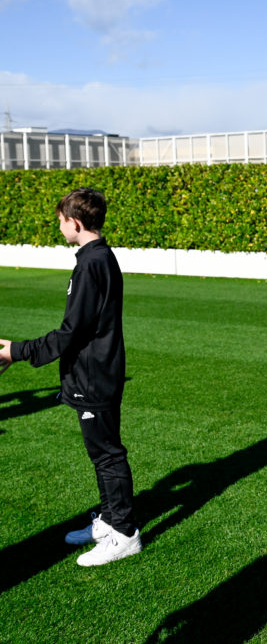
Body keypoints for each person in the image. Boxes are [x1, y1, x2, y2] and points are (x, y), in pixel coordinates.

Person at [0, 187, 141, 567]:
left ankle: (124, 533)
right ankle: (109, 521)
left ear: (75, 222)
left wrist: (17, 351)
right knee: (101, 454)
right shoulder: (96, 258)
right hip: (94, 373)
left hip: (95, 376)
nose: (59, 226)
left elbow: (71, 332)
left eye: (61, 220)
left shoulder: (92, 263)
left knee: (107, 454)